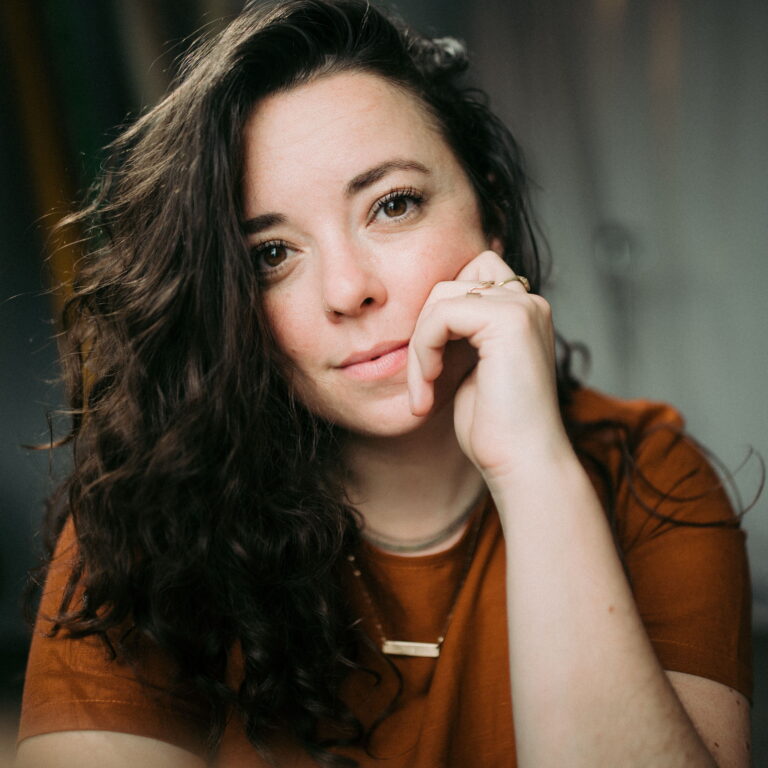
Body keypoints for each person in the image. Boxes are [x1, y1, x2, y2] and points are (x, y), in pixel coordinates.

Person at [16, 1, 752, 766]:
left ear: (490, 210)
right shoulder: (147, 517)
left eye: (392, 205)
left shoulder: (653, 479)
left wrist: (533, 470)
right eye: (272, 254)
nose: (347, 290)